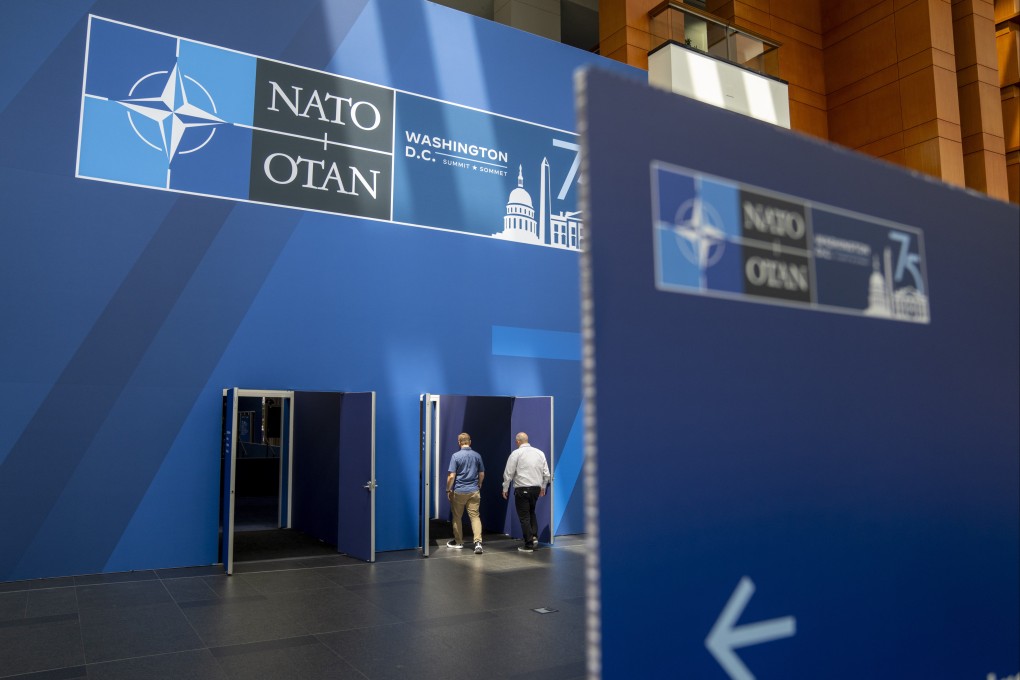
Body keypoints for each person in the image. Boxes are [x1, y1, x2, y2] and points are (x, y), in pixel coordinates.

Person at [501, 432, 550, 553]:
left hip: (522, 489)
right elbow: (547, 474)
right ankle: (534, 537)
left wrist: (505, 488)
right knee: (531, 512)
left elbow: (509, 473)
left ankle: (529, 544)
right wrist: (543, 487)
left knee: (524, 517)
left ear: (517, 441)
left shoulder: (516, 453)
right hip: (536, 489)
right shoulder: (539, 453)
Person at [447, 432, 485, 554]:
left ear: (459, 442)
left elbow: (451, 476)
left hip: (460, 491)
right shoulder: (477, 455)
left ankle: (458, 542)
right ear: (470, 441)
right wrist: (479, 483)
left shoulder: (455, 456)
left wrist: (448, 489)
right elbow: (482, 473)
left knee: (457, 517)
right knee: (475, 517)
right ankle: (478, 543)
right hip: (474, 490)